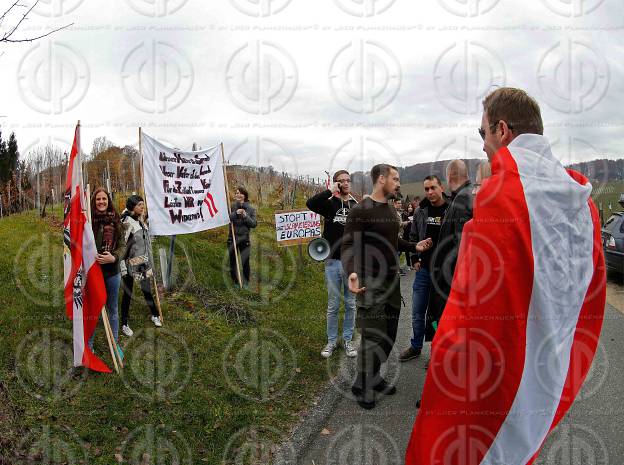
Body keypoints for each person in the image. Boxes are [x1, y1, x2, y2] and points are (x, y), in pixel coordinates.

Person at [405, 87, 606, 464]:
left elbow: (472, 314)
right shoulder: (584, 203)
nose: (482, 146)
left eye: (483, 134)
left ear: (502, 129)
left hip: (501, 364)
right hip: (548, 359)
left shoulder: (504, 194)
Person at [341, 164, 432, 409]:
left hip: (392, 284)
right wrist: (351, 272)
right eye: (395, 178)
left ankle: (373, 377)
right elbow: (348, 245)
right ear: (381, 179)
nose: (399, 183)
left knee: (389, 336)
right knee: (373, 337)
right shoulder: (361, 210)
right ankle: (362, 386)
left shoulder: (390, 210)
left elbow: (394, 241)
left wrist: (414, 247)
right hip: (370, 284)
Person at [306, 170, 358, 358]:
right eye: (341, 181)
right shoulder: (329, 205)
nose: (345, 183)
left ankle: (347, 340)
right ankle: (331, 341)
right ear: (336, 184)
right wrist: (329, 191)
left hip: (351, 263)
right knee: (333, 305)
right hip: (332, 262)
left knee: (351, 304)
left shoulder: (355, 206)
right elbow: (310, 204)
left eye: (347, 180)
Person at [398, 175, 448, 362]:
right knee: (418, 311)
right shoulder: (421, 211)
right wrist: (414, 258)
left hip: (443, 273)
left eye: (433, 187)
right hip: (424, 270)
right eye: (426, 189)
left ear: (441, 187)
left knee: (438, 314)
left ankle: (437, 352)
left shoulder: (451, 210)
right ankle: (416, 346)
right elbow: (411, 235)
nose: (429, 192)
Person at [426, 160, 474, 339]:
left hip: (452, 279)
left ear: (449, 176)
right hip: (452, 276)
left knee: (449, 324)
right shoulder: (465, 195)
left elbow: (463, 244)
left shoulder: (462, 199)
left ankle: (448, 358)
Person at [88, 187, 125, 359]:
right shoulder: (88, 221)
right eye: (98, 199)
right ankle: (89, 346)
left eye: (104, 199)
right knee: (93, 310)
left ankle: (115, 342)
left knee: (112, 309)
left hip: (112, 273)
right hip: (93, 273)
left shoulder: (116, 220)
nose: (101, 202)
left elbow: (123, 246)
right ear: (93, 202)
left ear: (108, 201)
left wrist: (114, 257)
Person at [119, 194, 161, 335]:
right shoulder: (127, 222)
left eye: (143, 204)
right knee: (128, 293)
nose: (142, 207)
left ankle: (155, 314)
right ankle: (124, 323)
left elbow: (145, 240)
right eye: (139, 205)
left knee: (146, 290)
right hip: (130, 263)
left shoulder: (140, 221)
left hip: (142, 261)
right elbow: (122, 246)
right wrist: (123, 268)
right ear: (132, 207)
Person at [227, 186, 257, 289]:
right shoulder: (230, 207)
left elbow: (253, 224)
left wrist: (245, 215)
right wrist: (235, 213)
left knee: (245, 261)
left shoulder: (251, 209)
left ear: (245, 195)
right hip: (232, 238)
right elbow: (226, 219)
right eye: (236, 193)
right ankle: (235, 281)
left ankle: (246, 282)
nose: (238, 195)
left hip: (244, 239)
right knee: (233, 261)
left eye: (240, 193)